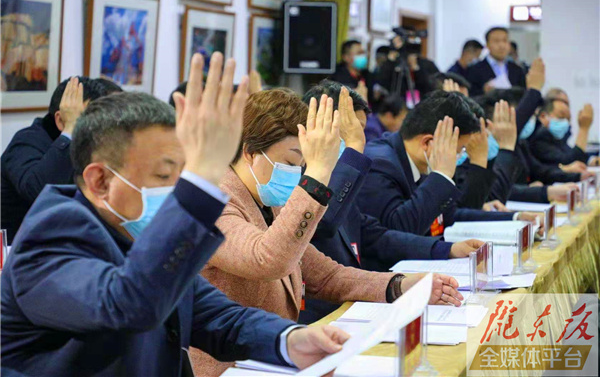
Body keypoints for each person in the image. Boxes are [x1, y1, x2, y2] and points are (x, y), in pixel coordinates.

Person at [1, 53, 353, 377]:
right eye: (162, 175)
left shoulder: (136, 229)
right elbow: (131, 305)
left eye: (181, 174)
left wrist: (290, 340)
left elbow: (217, 315)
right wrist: (201, 179)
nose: (174, 189)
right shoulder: (50, 237)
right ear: (100, 181)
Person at [190, 87, 463, 376]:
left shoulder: (269, 202)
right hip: (229, 368)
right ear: (250, 152)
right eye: (290, 163)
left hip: (271, 362)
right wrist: (317, 173)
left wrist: (400, 285)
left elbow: (325, 276)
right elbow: (267, 259)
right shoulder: (214, 201)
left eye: (302, 166)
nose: (296, 174)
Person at [299, 82, 484, 323]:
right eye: (351, 132)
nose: (360, 141)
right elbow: (324, 223)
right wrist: (441, 175)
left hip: (350, 305)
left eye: (359, 132)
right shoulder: (311, 178)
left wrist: (447, 249)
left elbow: (375, 235)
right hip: (315, 318)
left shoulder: (342, 176)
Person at [358, 91, 538, 237]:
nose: (459, 156)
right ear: (428, 143)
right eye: (459, 150)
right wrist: (441, 175)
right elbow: (398, 230)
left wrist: (514, 217)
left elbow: (450, 215)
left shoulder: (418, 160)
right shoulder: (379, 164)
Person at [1, 76, 121, 244]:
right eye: (87, 120)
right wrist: (71, 130)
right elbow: (39, 191)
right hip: (20, 251)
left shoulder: (91, 145)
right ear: (60, 120)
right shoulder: (26, 142)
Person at [528, 96, 598, 166]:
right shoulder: (539, 138)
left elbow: (570, 154)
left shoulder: (558, 139)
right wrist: (584, 129)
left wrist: (594, 161)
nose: (565, 122)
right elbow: (569, 162)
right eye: (561, 117)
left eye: (568, 119)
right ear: (543, 116)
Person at [375, 32, 439, 101]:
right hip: (399, 103)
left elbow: (432, 86)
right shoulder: (394, 63)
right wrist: (390, 60)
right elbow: (382, 83)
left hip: (422, 102)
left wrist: (416, 68)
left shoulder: (426, 64)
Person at [467, 27, 526, 96]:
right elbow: (470, 96)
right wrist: (484, 92)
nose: (501, 45)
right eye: (496, 41)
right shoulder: (474, 70)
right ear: (487, 45)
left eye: (505, 41)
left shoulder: (517, 70)